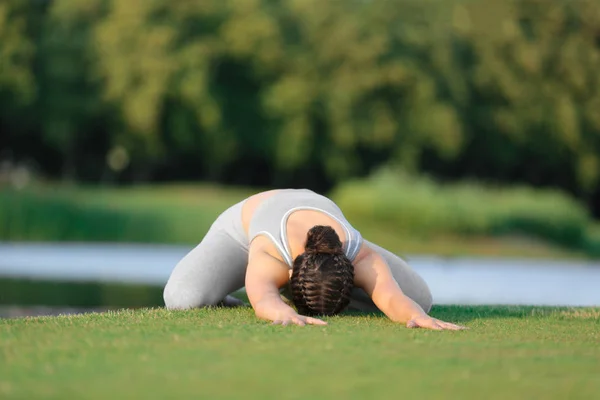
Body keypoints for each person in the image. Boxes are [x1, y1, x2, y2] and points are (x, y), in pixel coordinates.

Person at [163, 188, 465, 330]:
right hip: (240, 234)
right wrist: (281, 311)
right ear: (291, 274)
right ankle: (225, 293)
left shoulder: (356, 252)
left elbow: (389, 294)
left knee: (420, 300)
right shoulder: (272, 253)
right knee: (181, 297)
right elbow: (263, 296)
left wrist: (415, 316)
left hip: (324, 242)